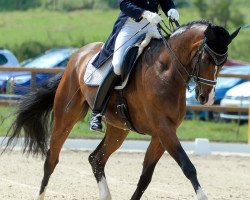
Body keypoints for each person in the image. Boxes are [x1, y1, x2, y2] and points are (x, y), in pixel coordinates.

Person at [90, 0, 180, 133]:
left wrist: (171, 9)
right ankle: (96, 114)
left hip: (152, 25)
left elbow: (165, 1)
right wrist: (144, 13)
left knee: (169, 60)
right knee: (118, 65)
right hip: (131, 26)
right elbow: (124, 4)